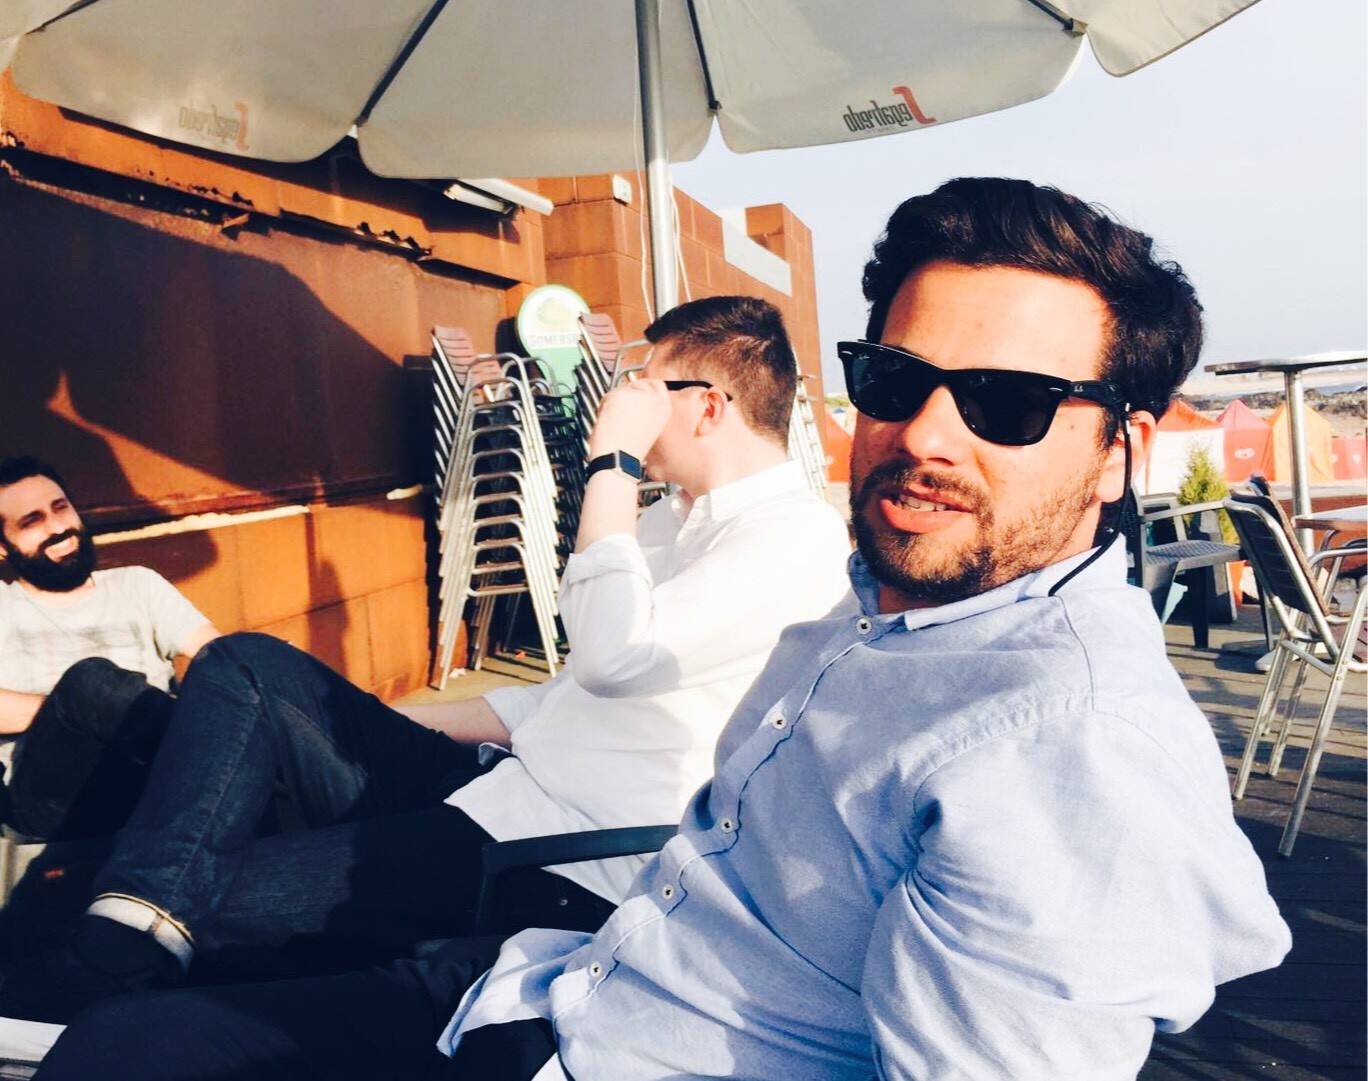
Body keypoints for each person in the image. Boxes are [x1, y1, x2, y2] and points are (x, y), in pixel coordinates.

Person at [29, 178, 1291, 1081]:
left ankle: (103, 919)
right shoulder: (882, 605)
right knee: (136, 1004)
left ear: (1122, 450)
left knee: (115, 996)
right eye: (898, 381)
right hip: (550, 976)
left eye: (1009, 403)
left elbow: (615, 658)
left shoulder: (1060, 745)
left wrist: (609, 469)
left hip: (554, 901)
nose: (926, 433)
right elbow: (572, 693)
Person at [1, 295, 852, 1018]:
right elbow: (554, 696)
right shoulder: (671, 519)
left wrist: (613, 461)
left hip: (555, 856)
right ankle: (123, 933)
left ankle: (93, 968)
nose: (626, 399)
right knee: (244, 668)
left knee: (198, 893)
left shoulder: (794, 538)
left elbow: (612, 656)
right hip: (489, 786)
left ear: (708, 406)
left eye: (648, 384)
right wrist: (362, 721)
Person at [0, 456, 220, 841]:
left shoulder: (137, 584)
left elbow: (217, 653)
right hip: (54, 798)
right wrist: (76, 711)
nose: (59, 528)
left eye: (61, 508)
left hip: (150, 772)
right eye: (32, 521)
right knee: (91, 683)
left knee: (253, 658)